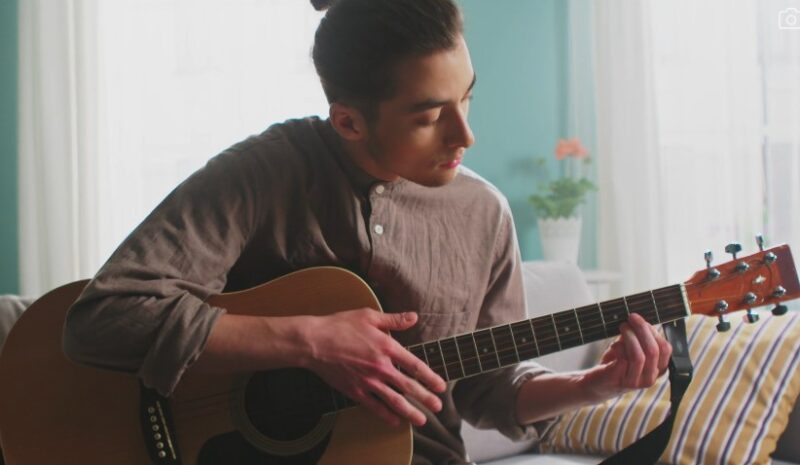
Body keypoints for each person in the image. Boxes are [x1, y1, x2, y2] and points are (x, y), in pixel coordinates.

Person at [63, 0, 672, 463]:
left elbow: (487, 391)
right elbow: (104, 318)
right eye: (432, 116)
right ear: (349, 121)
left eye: (467, 99)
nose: (466, 136)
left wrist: (591, 386)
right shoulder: (262, 172)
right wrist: (309, 341)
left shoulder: (484, 212)